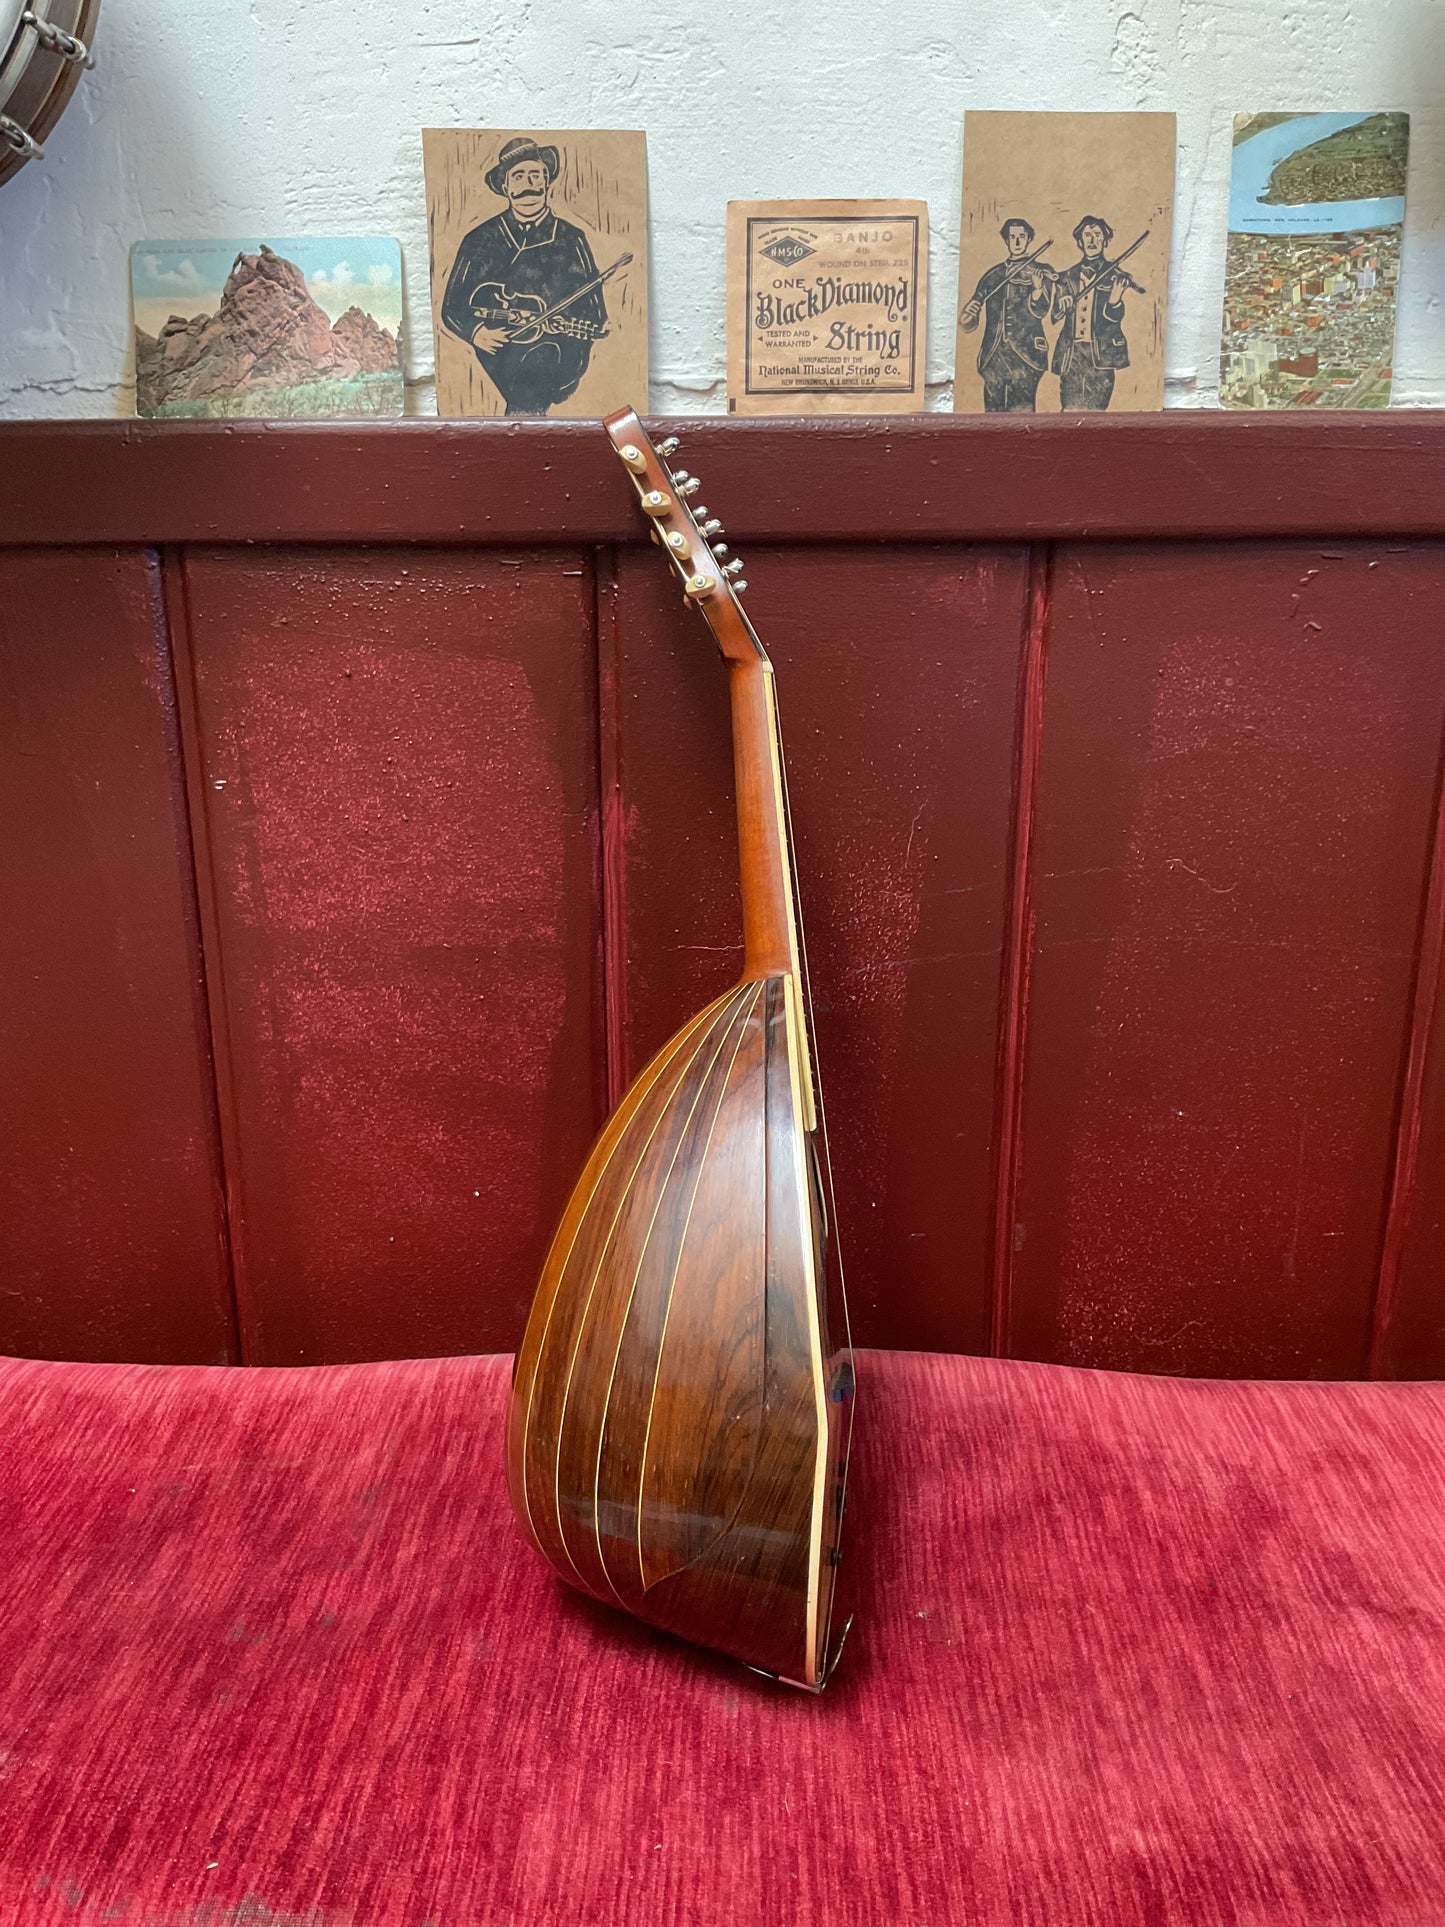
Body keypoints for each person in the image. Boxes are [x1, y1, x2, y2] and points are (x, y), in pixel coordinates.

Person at [440, 136, 607, 416]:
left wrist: (564, 328)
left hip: (558, 350)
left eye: (535, 176)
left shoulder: (570, 238)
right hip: (499, 348)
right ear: (505, 186)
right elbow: (452, 306)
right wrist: (476, 332)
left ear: (546, 182)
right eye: (518, 177)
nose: (528, 185)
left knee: (541, 364)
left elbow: (595, 311)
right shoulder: (479, 239)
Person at [959, 217, 1052, 412]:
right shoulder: (992, 275)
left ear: (1028, 240)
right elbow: (967, 322)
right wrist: (970, 314)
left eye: (1021, 237)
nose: (1017, 241)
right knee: (992, 415)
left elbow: (1041, 310)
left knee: (1022, 413)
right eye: (1012, 237)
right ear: (1007, 241)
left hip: (1026, 355)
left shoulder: (1041, 272)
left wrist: (1036, 291)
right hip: (993, 354)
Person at [1050, 215, 1131, 411]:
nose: (1092, 240)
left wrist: (1114, 301)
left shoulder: (1114, 275)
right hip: (1072, 355)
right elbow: (1054, 316)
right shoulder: (1066, 277)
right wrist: (1062, 304)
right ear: (1080, 241)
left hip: (1101, 355)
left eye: (1097, 235)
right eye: (1087, 235)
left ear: (1105, 241)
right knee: (1069, 410)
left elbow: (1113, 320)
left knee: (1097, 413)